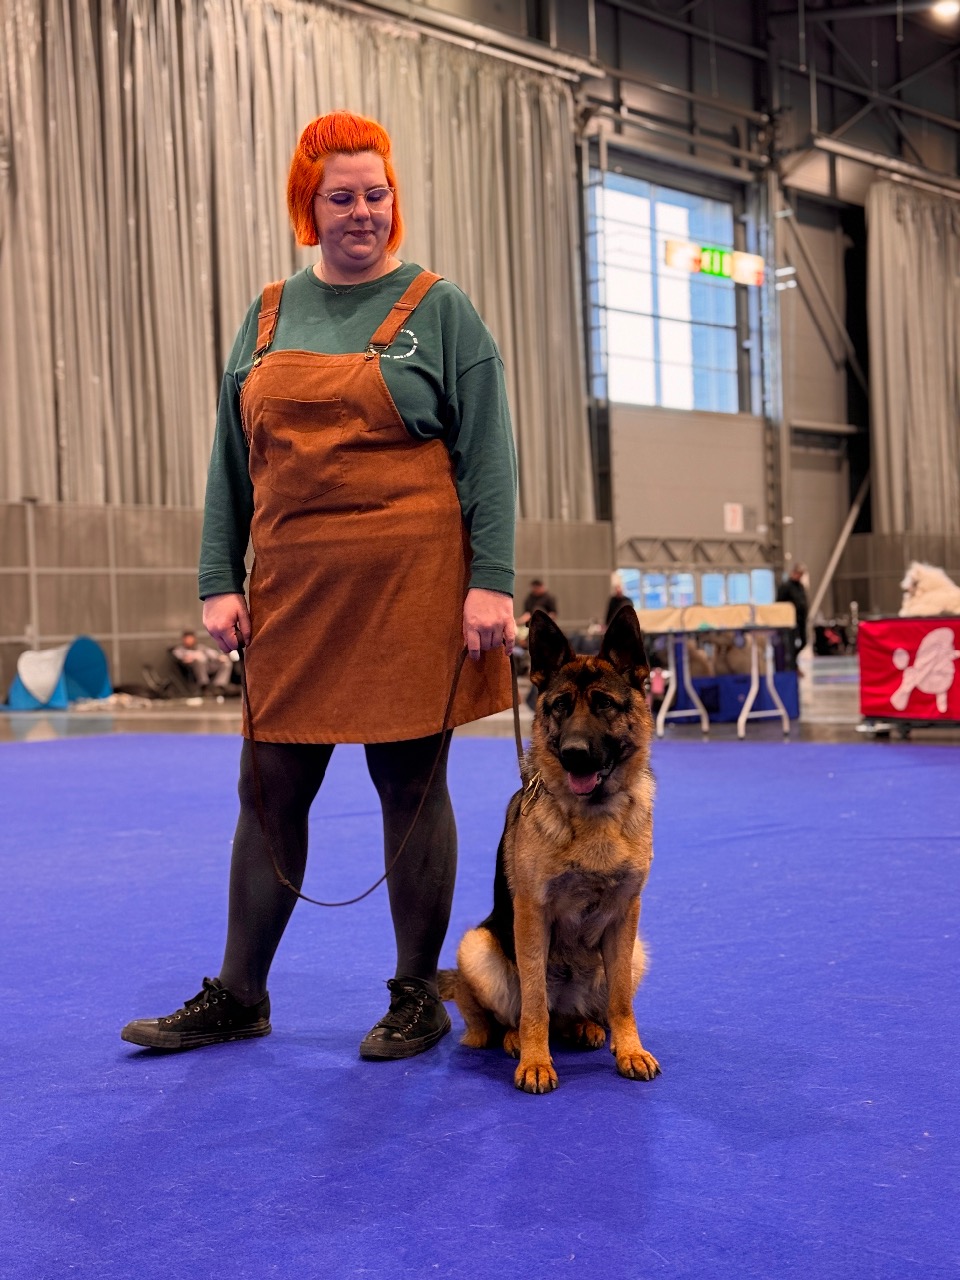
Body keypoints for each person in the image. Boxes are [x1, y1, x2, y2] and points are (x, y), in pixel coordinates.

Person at [121, 110, 517, 1061]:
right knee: (267, 788)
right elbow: (231, 462)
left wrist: (492, 582)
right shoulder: (266, 316)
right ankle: (239, 993)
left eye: (377, 194)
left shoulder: (442, 310)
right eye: (342, 197)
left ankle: (418, 996)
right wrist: (218, 578)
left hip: (412, 587)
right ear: (310, 205)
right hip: (291, 594)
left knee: (410, 786)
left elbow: (490, 456)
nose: (362, 212)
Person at [171, 629, 235, 694]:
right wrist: (194, 656)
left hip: (208, 666)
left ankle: (219, 686)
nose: (189, 641)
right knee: (201, 659)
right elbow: (182, 658)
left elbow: (212, 654)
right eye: (187, 639)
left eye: (190, 638)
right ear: (183, 639)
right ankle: (204, 686)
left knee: (226, 663)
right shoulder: (179, 650)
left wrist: (219, 657)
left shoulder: (201, 647)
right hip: (193, 668)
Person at [776, 561, 809, 671]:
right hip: (790, 622)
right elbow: (779, 604)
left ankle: (794, 661)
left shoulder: (800, 586)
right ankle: (792, 667)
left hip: (801, 620)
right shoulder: (785, 586)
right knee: (790, 645)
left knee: (804, 642)